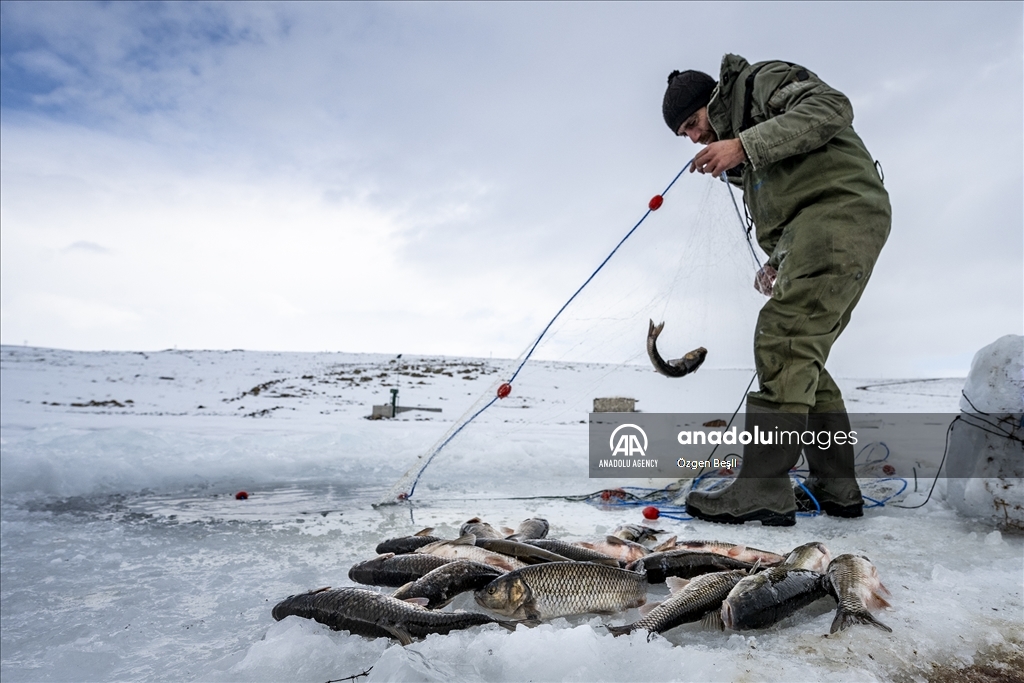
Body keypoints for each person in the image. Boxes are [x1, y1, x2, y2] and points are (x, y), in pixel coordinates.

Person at [662, 55, 891, 526]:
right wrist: (776, 260)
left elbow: (832, 108)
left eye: (693, 123)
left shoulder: (761, 83)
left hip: (839, 211)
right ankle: (836, 486)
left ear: (711, 100)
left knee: (782, 338)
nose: (694, 137)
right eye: (684, 134)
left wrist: (743, 145)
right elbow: (792, 203)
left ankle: (762, 488)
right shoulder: (740, 143)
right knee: (803, 358)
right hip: (821, 225)